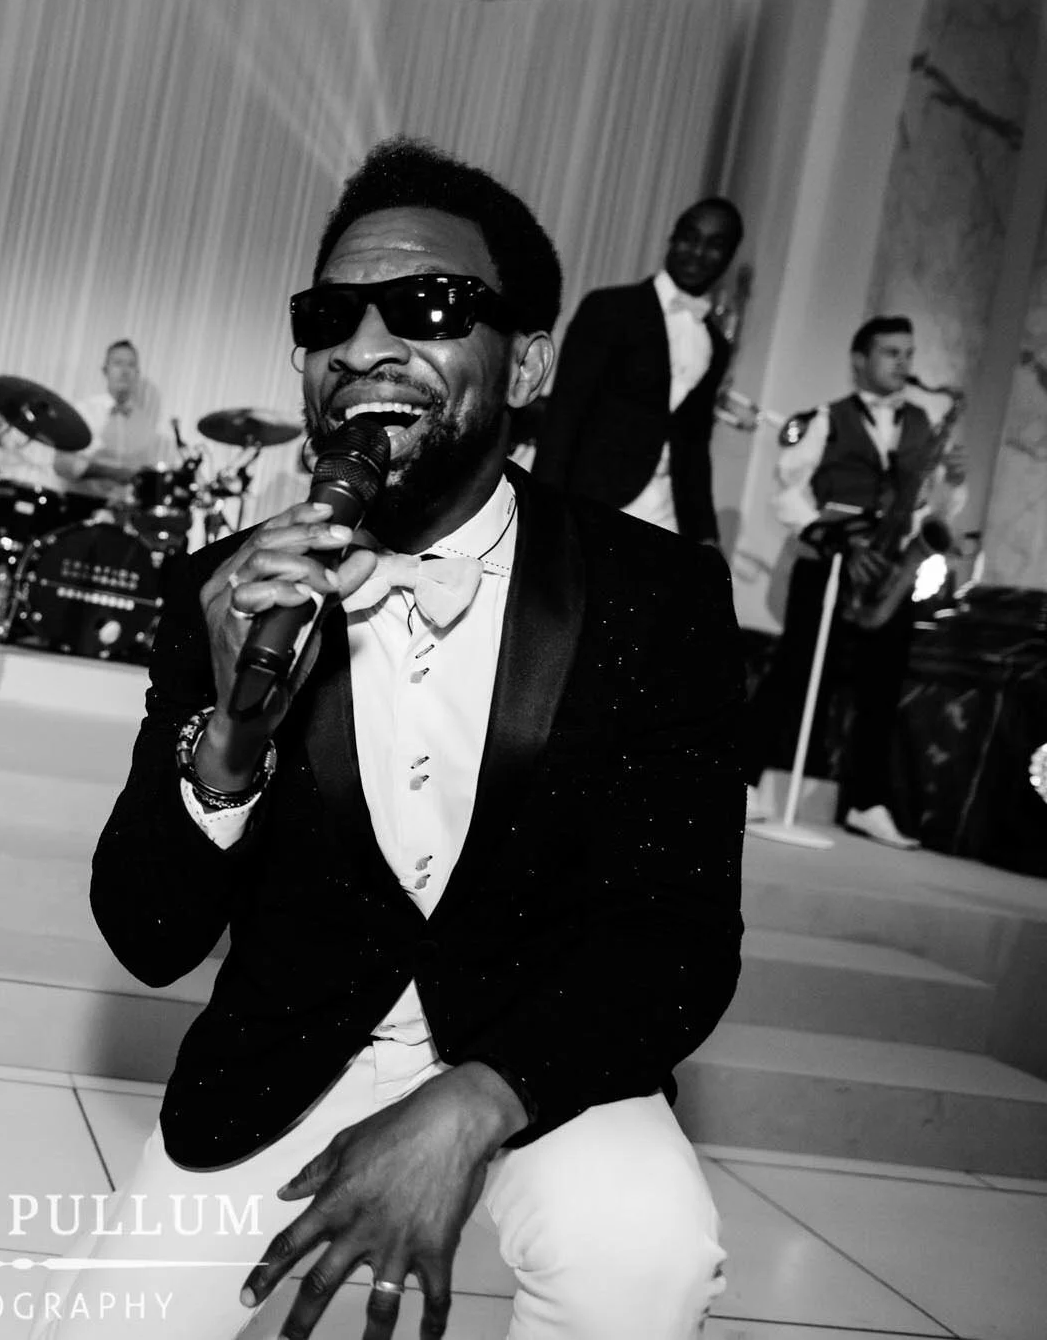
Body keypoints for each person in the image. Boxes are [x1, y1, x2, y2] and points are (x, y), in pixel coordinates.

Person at [60, 139, 742, 1340]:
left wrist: (472, 1100)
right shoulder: (223, 590)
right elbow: (145, 934)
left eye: (428, 305)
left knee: (646, 1256)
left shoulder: (656, 593)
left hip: (541, 1050)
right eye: (329, 316)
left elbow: (676, 931)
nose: (363, 345)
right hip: (289, 1051)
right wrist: (230, 740)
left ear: (527, 361)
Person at [741, 315, 966, 847]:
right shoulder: (825, 418)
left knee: (882, 688)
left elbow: (938, 509)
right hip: (832, 561)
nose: (903, 364)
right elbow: (787, 490)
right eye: (891, 353)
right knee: (794, 672)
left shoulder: (923, 425)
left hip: (890, 570)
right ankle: (742, 779)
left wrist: (953, 482)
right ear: (859, 360)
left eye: (908, 353)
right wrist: (828, 536)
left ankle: (867, 802)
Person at [534, 197, 743, 544]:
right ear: (672, 239)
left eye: (714, 245)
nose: (697, 252)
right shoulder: (610, 308)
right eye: (690, 238)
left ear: (729, 256)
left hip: (666, 512)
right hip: (595, 498)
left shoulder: (716, 345)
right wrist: (544, 510)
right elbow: (564, 415)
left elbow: (694, 446)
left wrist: (706, 534)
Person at [56, 339, 178, 502]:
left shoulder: (144, 423)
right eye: (118, 363)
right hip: (81, 502)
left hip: (122, 509)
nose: (125, 371)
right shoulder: (82, 411)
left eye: (131, 365)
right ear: (105, 370)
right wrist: (111, 472)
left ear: (137, 373)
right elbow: (61, 464)